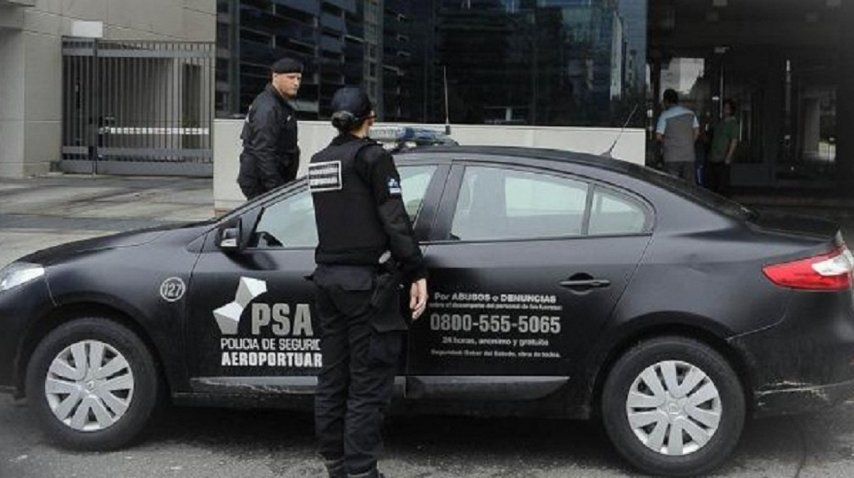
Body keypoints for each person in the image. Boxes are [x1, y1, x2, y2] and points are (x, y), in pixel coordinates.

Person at [309, 87, 429, 478]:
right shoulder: (374, 158)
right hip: (365, 287)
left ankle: (337, 464)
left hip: (327, 281)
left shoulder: (319, 161)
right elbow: (395, 220)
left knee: (332, 378)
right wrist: (416, 270)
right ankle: (361, 472)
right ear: (370, 119)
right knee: (367, 386)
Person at [237, 57, 302, 199]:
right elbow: (263, 151)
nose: (296, 83)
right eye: (291, 78)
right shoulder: (268, 107)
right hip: (263, 184)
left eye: (298, 78)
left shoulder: (277, 104)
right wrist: (277, 191)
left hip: (269, 181)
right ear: (275, 77)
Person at [656, 89, 699, 184]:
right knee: (690, 186)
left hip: (672, 157)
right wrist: (688, 144)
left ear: (666, 101)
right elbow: (696, 132)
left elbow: (658, 136)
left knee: (672, 185)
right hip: (689, 156)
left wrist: (668, 144)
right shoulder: (691, 114)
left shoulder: (665, 115)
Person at [707, 99, 740, 195]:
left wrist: (728, 157)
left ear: (731, 110)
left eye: (727, 108)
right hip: (714, 156)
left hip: (722, 157)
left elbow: (734, 141)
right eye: (724, 108)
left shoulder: (733, 124)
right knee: (713, 184)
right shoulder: (721, 122)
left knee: (722, 185)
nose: (724, 110)